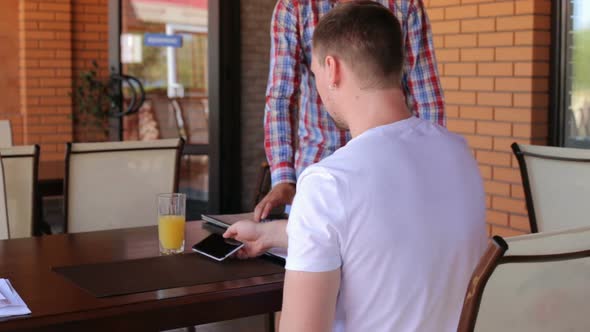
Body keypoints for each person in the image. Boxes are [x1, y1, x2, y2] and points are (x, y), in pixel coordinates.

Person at [225, 2, 486, 331]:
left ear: (331, 70)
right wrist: (272, 235)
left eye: (316, 72)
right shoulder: (460, 156)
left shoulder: (326, 185)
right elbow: (377, 240)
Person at [255, 0, 445, 221]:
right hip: (318, 165)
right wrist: (283, 180)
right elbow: (281, 96)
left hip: (389, 166)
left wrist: (427, 164)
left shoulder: (404, 4)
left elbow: (426, 94)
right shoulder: (295, 7)